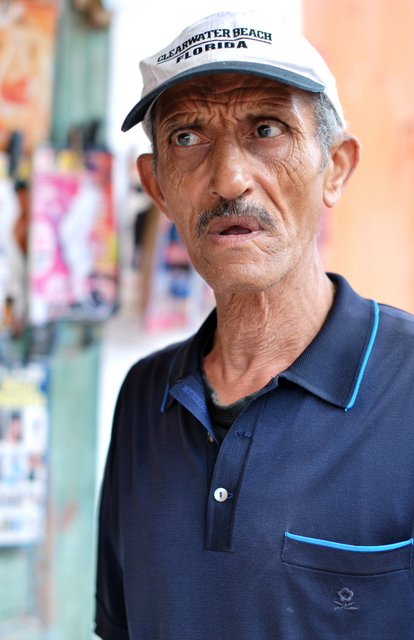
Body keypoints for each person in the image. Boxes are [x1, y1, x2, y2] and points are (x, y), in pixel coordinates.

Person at [95, 10, 414, 640]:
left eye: (267, 129)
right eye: (187, 137)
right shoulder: (143, 397)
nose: (229, 178)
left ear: (337, 168)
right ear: (158, 186)